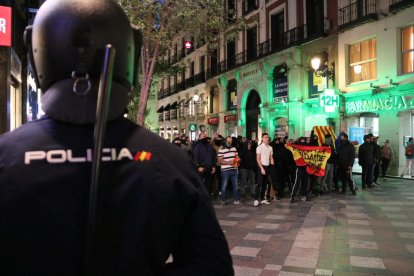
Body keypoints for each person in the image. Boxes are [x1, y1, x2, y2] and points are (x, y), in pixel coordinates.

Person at [0, 1, 234, 275]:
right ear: (131, 51)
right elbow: (213, 266)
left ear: (36, 50)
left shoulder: (6, 157)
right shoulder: (170, 161)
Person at [217, 135, 241, 205]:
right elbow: (219, 161)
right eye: (229, 140)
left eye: (231, 140)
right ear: (225, 140)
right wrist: (229, 162)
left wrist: (238, 159)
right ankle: (223, 200)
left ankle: (236, 200)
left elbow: (237, 157)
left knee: (235, 185)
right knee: (224, 185)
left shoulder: (234, 148)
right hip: (225, 170)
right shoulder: (221, 149)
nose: (230, 141)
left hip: (234, 169)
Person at [193, 132, 217, 199]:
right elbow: (196, 158)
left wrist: (214, 166)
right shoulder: (197, 147)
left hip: (209, 167)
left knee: (208, 183)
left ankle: (207, 197)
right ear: (200, 137)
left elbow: (213, 157)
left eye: (205, 136)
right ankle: (200, 197)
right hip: (201, 168)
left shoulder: (209, 146)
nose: (204, 138)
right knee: (200, 183)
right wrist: (199, 166)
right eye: (203, 136)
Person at [254, 133, 274, 207]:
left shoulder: (270, 147)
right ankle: (256, 199)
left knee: (265, 184)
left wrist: (272, 166)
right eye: (265, 137)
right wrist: (262, 168)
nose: (267, 138)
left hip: (268, 166)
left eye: (268, 137)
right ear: (262, 138)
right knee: (259, 183)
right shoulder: (259, 147)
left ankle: (262, 199)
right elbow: (258, 159)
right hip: (261, 167)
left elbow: (271, 157)